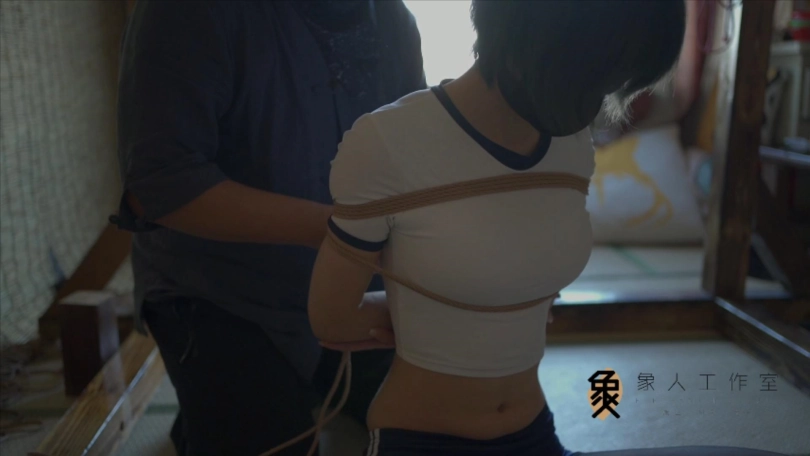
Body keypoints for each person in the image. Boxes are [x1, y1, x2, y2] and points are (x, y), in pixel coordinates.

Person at [307, 1, 787, 456]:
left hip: (536, 434)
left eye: (615, 81)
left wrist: (474, 312)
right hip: (421, 441)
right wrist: (428, 319)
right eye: (594, 76)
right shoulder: (389, 141)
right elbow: (331, 318)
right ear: (528, 34)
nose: (598, 102)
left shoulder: (571, 144)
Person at [111, 1, 425, 455]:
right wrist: (340, 232)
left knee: (450, 419)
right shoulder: (186, 11)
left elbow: (415, 158)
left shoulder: (393, 19)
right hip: (222, 291)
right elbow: (160, 184)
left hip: (358, 282)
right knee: (271, 437)